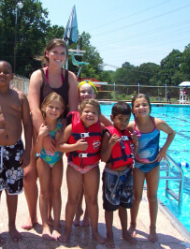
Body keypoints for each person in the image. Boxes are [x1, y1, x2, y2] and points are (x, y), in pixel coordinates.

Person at [23, 38, 78, 230]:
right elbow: (34, 108)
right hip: (39, 129)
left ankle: (49, 217)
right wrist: (43, 136)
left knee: (53, 178)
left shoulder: (69, 77)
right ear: (47, 53)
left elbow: (73, 110)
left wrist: (62, 134)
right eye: (55, 52)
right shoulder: (38, 76)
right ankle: (33, 216)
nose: (59, 56)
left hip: (59, 131)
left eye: (63, 53)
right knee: (29, 175)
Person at [0, 60, 32, 243]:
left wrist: (28, 151)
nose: (2, 74)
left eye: (6, 72)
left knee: (13, 190)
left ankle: (11, 225)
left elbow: (27, 124)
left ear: (12, 76)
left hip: (14, 150)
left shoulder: (20, 97)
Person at [128, 93, 175, 242]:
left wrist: (164, 149)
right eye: (137, 105)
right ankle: (133, 224)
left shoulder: (158, 123)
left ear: (150, 106)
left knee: (152, 197)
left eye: (144, 104)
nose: (141, 108)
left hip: (154, 165)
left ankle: (152, 227)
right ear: (133, 109)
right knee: (136, 197)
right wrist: (131, 141)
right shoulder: (131, 126)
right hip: (138, 165)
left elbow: (172, 133)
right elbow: (124, 141)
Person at [57, 99, 104, 244]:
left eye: (94, 112)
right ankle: (67, 230)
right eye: (87, 111)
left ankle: (95, 231)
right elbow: (59, 145)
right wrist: (74, 146)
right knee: (72, 199)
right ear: (80, 113)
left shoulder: (101, 128)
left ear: (99, 115)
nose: (90, 114)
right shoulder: (71, 128)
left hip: (92, 167)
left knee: (92, 200)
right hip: (74, 167)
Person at [73, 80, 112, 227]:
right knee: (77, 191)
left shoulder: (96, 111)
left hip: (92, 160)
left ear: (94, 95)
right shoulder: (75, 111)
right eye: (82, 91)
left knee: (90, 192)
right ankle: (78, 212)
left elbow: (110, 126)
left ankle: (87, 216)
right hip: (76, 159)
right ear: (78, 94)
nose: (86, 94)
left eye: (89, 92)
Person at [100, 101, 137, 248]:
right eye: (120, 118)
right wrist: (110, 144)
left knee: (124, 205)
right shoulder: (108, 133)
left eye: (127, 120)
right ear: (112, 117)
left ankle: (124, 232)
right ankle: (109, 235)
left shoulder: (128, 133)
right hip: (112, 175)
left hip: (127, 173)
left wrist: (136, 143)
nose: (124, 122)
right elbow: (103, 157)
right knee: (110, 207)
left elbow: (132, 153)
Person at [35, 92, 65, 240]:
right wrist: (41, 136)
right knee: (44, 192)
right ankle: (45, 225)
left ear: (62, 110)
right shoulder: (41, 125)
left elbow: (62, 148)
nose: (54, 110)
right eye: (51, 107)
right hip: (43, 160)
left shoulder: (62, 125)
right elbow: (36, 150)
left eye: (57, 108)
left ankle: (57, 225)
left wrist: (59, 139)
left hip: (57, 160)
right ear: (44, 107)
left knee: (56, 191)